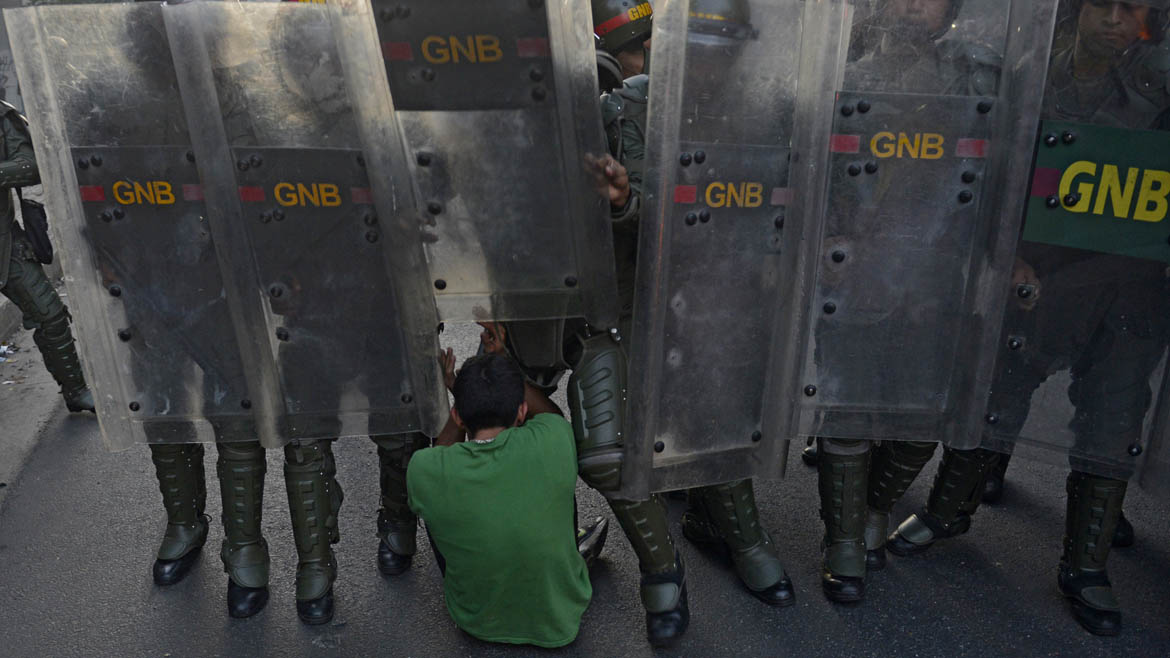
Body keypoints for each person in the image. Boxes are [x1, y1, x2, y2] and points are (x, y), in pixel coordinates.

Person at [884, 0, 1170, 636]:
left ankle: (1086, 562)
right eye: (1104, 5)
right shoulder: (1033, 66)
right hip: (1039, 268)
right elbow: (998, 159)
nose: (1116, 20)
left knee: (1115, 413)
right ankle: (948, 510)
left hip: (1133, 281)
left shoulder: (1158, 79)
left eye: (1132, 9)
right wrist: (1004, 251)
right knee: (999, 390)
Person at [810, 0, 1004, 603]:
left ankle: (876, 507)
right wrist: (823, 239)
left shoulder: (980, 75)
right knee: (844, 403)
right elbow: (808, 159)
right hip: (852, 264)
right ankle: (844, 539)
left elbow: (1002, 175)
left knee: (923, 409)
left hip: (935, 269)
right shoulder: (836, 67)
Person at [407, 353, 592, 648]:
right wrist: (512, 366)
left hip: (476, 621)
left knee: (437, 499)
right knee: (554, 477)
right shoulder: (554, 438)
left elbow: (444, 449)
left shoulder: (425, 470)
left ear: (457, 415)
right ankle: (569, 555)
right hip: (561, 621)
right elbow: (548, 415)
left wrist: (456, 392)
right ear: (521, 411)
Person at [0, 101, 92, 413]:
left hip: (6, 245)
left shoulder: (2, 116)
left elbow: (31, 164)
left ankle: (76, 391)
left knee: (50, 314)